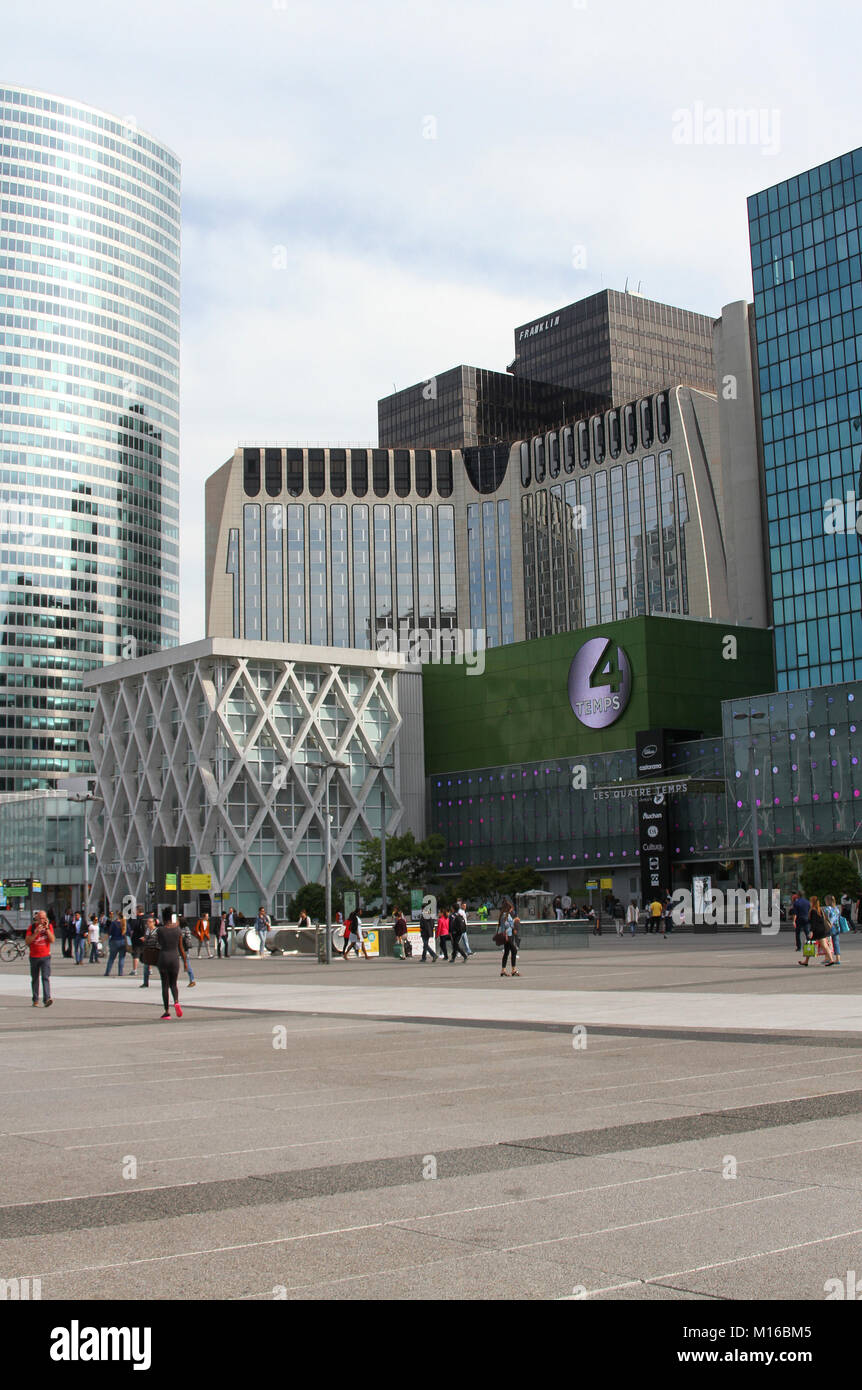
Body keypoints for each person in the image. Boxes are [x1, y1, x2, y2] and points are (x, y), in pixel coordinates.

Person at [155, 915, 188, 1019]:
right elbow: (181, 947)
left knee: (165, 985)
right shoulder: (178, 931)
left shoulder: (160, 930)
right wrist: (185, 963)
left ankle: (167, 1012)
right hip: (175, 959)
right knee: (173, 984)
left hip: (164, 958)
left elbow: (158, 944)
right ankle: (177, 1002)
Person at [26, 909, 54, 1007]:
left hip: (45, 956)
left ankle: (47, 999)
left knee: (45, 977)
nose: (42, 920)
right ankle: (35, 999)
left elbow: (52, 940)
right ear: (36, 919)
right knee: (35, 978)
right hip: (34, 956)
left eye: (43, 918)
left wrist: (46, 929)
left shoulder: (49, 927)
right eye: (40, 918)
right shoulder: (32, 927)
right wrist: (36, 932)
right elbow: (28, 941)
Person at [800, 895, 834, 966]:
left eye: (810, 901)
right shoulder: (820, 910)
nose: (809, 903)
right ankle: (831, 959)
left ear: (812, 902)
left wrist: (811, 931)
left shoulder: (813, 911)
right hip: (822, 930)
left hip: (816, 931)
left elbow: (813, 922)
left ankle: (806, 961)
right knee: (824, 945)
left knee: (809, 944)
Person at [824, 895, 843, 966]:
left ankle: (828, 958)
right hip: (837, 927)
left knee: (827, 943)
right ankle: (838, 958)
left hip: (829, 927)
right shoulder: (836, 909)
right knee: (836, 943)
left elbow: (826, 918)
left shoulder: (827, 909)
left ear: (828, 901)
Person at [500, 909, 520, 977]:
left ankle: (503, 970)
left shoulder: (507, 915)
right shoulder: (505, 915)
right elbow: (505, 925)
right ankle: (513, 970)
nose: (511, 909)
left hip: (509, 935)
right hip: (508, 936)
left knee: (506, 952)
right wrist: (515, 921)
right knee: (514, 950)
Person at [128, 908, 147, 976]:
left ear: (138, 911)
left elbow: (131, 929)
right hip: (147, 939)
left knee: (136, 955)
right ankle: (149, 970)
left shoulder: (135, 919)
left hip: (137, 939)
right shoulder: (148, 917)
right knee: (147, 955)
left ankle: (134, 970)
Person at [180, 918, 197, 987]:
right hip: (181, 948)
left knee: (187, 963)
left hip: (184, 948)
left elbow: (187, 938)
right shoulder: (184, 928)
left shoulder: (185, 929)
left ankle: (192, 980)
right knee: (186, 963)